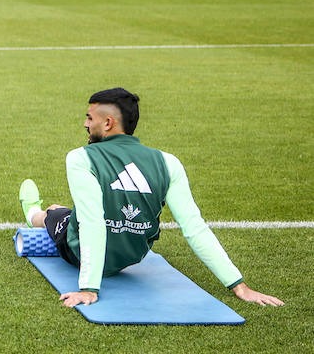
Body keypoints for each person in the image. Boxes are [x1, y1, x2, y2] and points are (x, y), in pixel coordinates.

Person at [19, 88, 283, 308]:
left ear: (108, 123)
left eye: (89, 118)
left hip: (77, 251)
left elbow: (92, 222)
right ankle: (56, 211)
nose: (85, 123)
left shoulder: (79, 157)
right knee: (74, 211)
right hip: (133, 256)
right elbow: (194, 227)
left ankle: (33, 212)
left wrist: (89, 288)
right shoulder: (169, 162)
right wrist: (240, 286)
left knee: (55, 215)